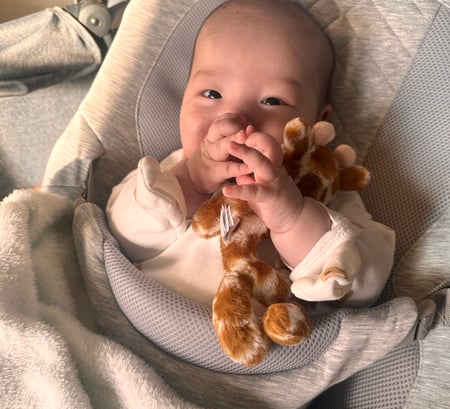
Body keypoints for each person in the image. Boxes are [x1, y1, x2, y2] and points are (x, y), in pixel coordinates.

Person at [106, 0, 395, 313]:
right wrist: (191, 181)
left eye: (272, 101)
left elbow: (365, 287)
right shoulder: (167, 174)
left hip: (272, 340)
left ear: (315, 123)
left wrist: (294, 219)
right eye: (212, 94)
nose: (236, 118)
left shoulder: (324, 192)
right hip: (143, 318)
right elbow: (123, 238)